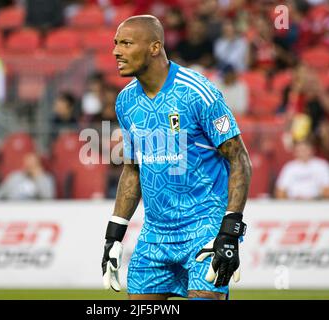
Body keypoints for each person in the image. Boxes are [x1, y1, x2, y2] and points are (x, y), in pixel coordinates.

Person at [101, 15, 252, 300]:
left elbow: (239, 159)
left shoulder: (197, 92)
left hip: (204, 227)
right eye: (115, 43)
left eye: (126, 43)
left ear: (155, 47)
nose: (116, 51)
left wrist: (230, 231)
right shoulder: (125, 101)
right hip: (154, 234)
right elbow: (133, 170)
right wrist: (114, 233)